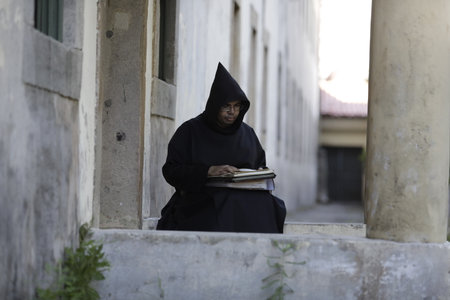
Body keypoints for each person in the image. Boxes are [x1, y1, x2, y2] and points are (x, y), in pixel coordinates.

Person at [156, 62, 286, 233]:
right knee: (226, 204)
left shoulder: (247, 134)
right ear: (215, 105)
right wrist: (208, 171)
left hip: (245, 197)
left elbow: (260, 166)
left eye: (237, 106)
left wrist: (259, 174)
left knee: (268, 204)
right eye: (226, 106)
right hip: (201, 199)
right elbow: (171, 171)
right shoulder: (190, 131)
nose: (232, 112)